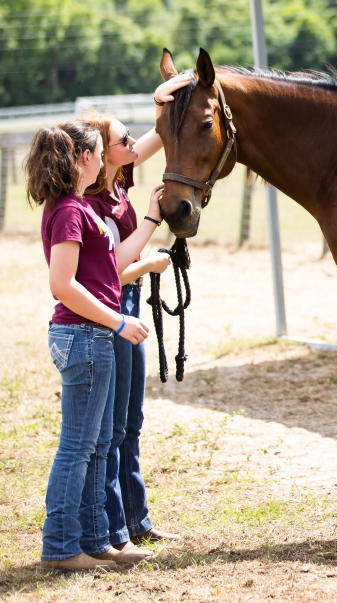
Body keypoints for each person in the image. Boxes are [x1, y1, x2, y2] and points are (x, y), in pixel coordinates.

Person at [27, 120, 163, 570]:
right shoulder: (68, 211)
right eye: (102, 152)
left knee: (99, 443)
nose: (109, 159)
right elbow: (62, 285)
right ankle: (62, 547)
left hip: (94, 335)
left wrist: (150, 231)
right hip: (84, 335)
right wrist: (118, 320)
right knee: (78, 447)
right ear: (84, 158)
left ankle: (95, 539)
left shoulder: (79, 208)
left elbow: (109, 269)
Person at [82, 72, 194, 553]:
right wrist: (147, 253)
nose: (132, 144)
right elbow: (105, 271)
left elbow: (151, 142)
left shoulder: (115, 182)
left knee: (130, 422)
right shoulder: (89, 199)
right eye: (121, 139)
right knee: (110, 428)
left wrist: (163, 104)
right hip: (109, 311)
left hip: (125, 305)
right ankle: (115, 529)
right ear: (103, 153)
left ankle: (135, 519)